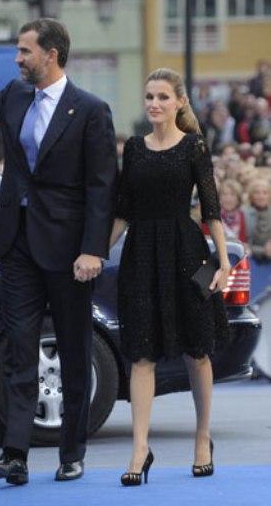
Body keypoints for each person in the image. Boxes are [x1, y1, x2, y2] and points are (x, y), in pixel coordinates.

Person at [0, 18, 117, 485]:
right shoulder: (12, 96)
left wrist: (93, 250)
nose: (17, 58)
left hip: (70, 252)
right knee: (20, 350)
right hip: (18, 244)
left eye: (25, 51)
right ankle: (15, 455)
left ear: (51, 54)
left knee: (72, 348)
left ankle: (72, 451)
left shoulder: (90, 110)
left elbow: (101, 188)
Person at [109, 68, 231, 485]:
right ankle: (140, 448)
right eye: (149, 97)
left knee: (197, 351)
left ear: (179, 102)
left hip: (185, 252)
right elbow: (123, 211)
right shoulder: (136, 151)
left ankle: (202, 437)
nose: (154, 104)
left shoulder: (195, 146)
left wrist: (225, 260)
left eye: (162, 97)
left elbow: (211, 208)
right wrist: (94, 253)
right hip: (141, 255)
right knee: (141, 354)